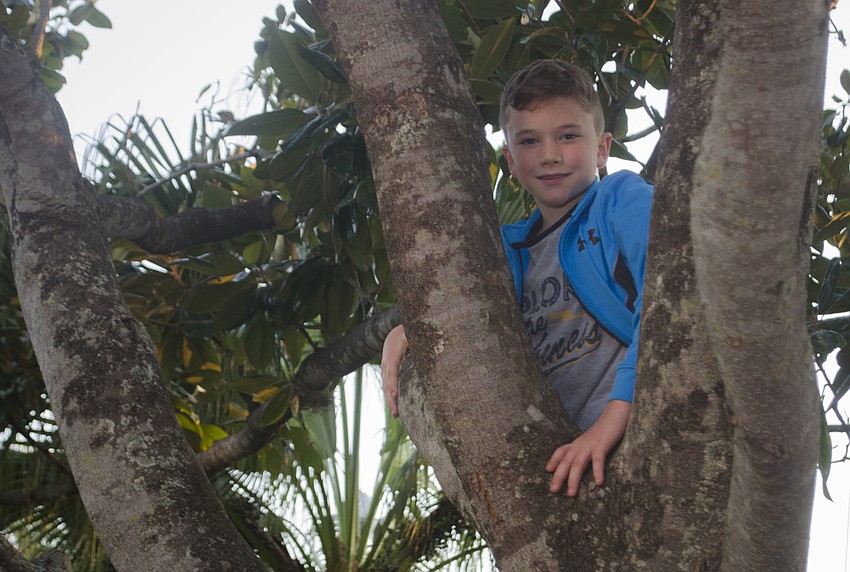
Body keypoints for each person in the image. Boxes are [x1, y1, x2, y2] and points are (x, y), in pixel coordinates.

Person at [380, 59, 653, 497]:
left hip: (634, 426)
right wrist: (407, 330)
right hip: (558, 461)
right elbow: (460, 319)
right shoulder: (502, 252)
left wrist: (613, 419)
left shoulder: (621, 198)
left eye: (568, 135)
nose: (549, 154)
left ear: (602, 147)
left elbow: (664, 308)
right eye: (529, 141)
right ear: (509, 160)